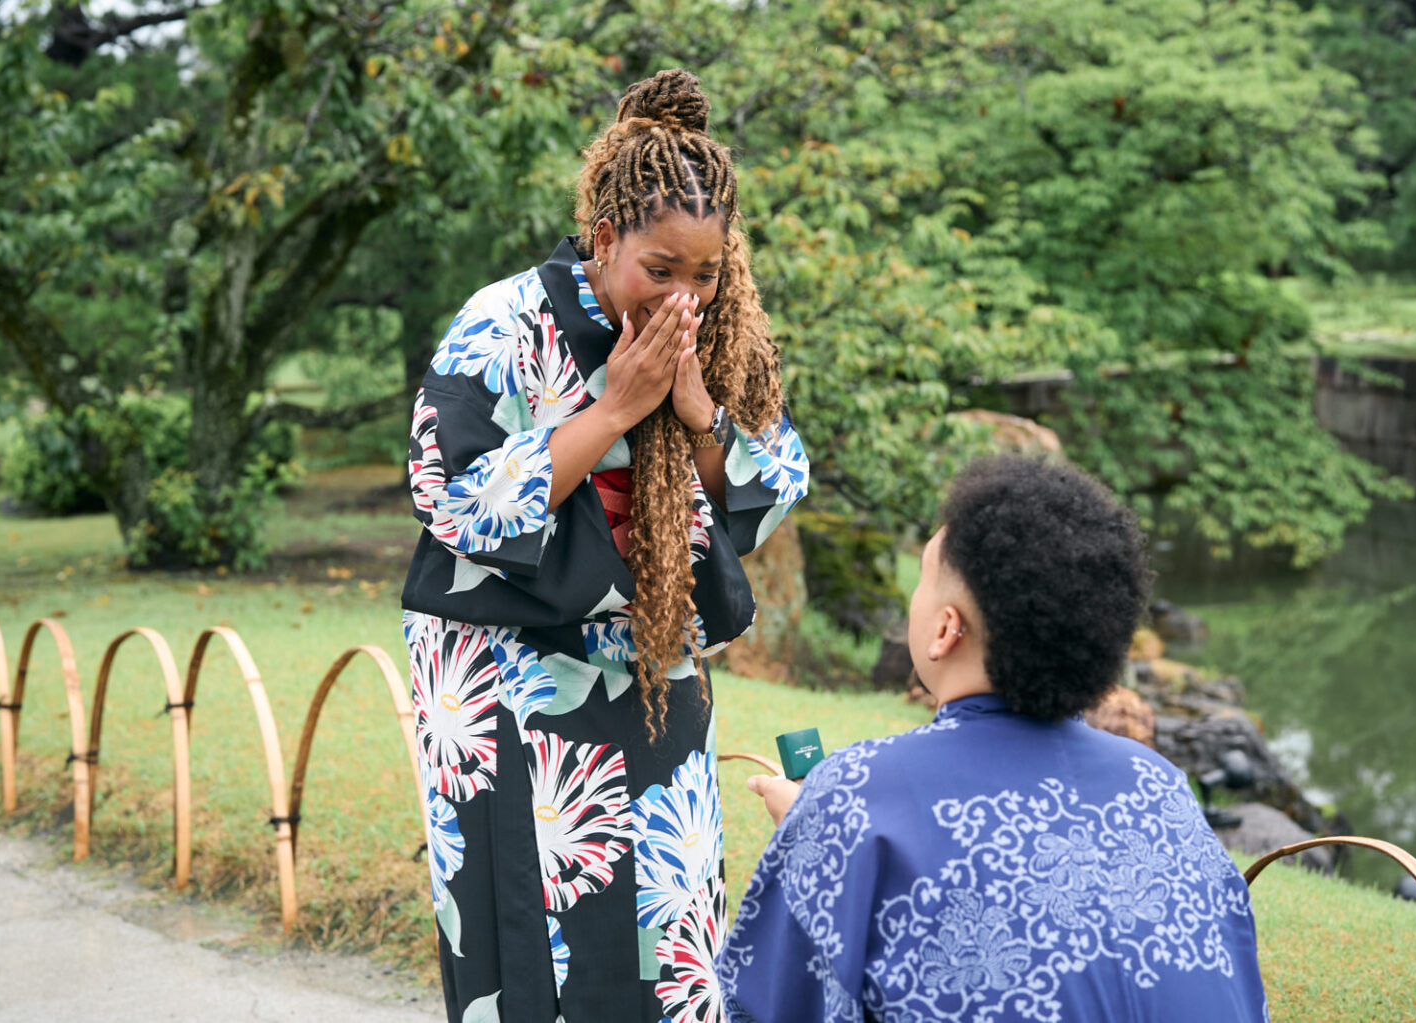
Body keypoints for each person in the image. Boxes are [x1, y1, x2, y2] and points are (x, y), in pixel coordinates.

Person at [399, 69, 808, 1022]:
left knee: (669, 912)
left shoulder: (721, 336)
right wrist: (615, 405)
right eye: (659, 270)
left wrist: (701, 410)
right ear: (604, 237)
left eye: (704, 273)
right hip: (507, 673)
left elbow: (771, 484)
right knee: (533, 912)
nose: (683, 294)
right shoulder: (503, 322)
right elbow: (448, 497)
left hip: (650, 663)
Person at [718, 456, 1268, 1022]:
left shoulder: (855, 795)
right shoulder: (1161, 787)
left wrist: (821, 838)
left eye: (925, 581)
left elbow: (768, 1005)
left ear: (945, 629)